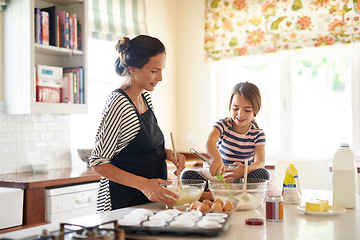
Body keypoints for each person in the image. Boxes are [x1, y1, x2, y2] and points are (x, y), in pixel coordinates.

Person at [89, 35, 186, 212]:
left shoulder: (145, 97)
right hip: (121, 205)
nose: (161, 78)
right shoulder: (119, 103)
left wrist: (166, 154)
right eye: (154, 71)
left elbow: (136, 148)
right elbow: (98, 162)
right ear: (133, 69)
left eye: (162, 70)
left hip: (146, 203)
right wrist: (145, 185)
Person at [182, 82, 270, 197]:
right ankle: (223, 192)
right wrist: (217, 158)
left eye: (247, 110)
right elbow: (210, 141)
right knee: (186, 175)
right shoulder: (224, 124)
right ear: (230, 107)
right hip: (218, 177)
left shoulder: (258, 134)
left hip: (242, 179)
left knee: (263, 174)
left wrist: (244, 170)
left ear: (255, 111)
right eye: (235, 108)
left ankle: (219, 193)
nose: (240, 114)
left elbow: (260, 162)